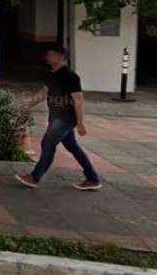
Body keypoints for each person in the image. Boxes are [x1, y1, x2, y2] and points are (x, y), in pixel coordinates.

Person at [14, 45, 101, 191]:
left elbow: (78, 101)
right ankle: (92, 178)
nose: (47, 58)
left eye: (51, 55)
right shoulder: (52, 75)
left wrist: (80, 123)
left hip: (65, 119)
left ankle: (35, 177)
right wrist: (29, 104)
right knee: (72, 146)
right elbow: (43, 93)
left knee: (47, 144)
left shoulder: (70, 77)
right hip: (56, 117)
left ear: (61, 57)